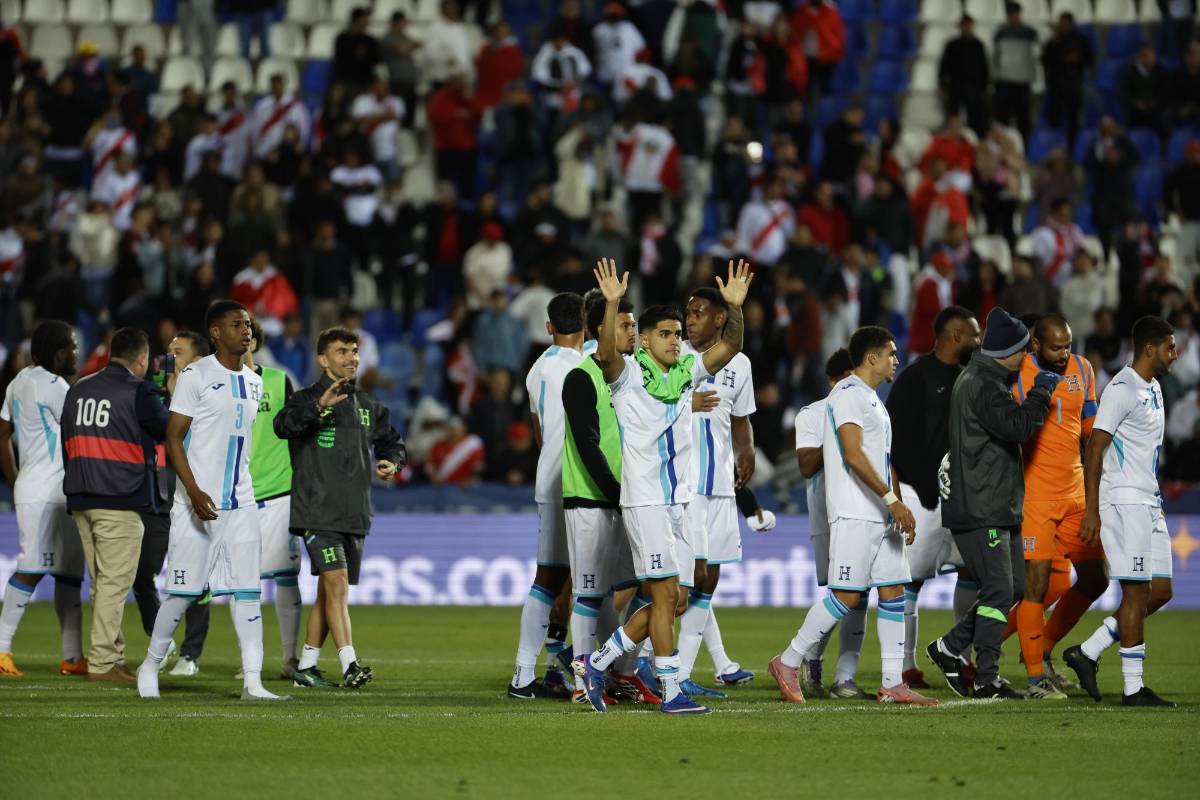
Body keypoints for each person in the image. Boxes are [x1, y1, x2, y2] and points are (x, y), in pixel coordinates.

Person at [576, 258, 752, 716]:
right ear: (646, 339)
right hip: (646, 500)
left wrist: (733, 307)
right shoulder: (629, 374)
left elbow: (730, 344)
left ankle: (599, 662)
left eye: (678, 333)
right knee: (665, 593)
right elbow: (608, 354)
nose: (676, 340)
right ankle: (671, 690)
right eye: (666, 334)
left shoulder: (688, 369)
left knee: (675, 599)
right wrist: (612, 302)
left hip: (679, 502)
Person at [769, 326, 936, 707]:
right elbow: (852, 453)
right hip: (855, 512)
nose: (896, 359)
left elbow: (881, 459)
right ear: (871, 357)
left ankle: (893, 682)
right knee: (845, 595)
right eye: (891, 353)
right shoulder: (846, 394)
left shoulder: (874, 400)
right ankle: (788, 660)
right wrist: (892, 499)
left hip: (880, 516)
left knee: (894, 591)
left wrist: (897, 505)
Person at [137, 302, 286, 701]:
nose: (246, 330)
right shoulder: (195, 376)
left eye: (249, 324)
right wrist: (194, 490)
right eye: (236, 324)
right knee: (184, 593)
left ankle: (253, 681)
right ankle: (149, 667)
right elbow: (173, 438)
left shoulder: (254, 381)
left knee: (247, 593)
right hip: (195, 505)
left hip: (241, 504)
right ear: (216, 333)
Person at [926, 307, 1056, 699]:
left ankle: (950, 647)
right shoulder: (983, 383)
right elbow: (1017, 427)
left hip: (996, 505)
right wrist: (1041, 392)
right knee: (1000, 591)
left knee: (1012, 586)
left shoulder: (985, 379)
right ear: (1006, 352)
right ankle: (986, 677)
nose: (1026, 358)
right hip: (982, 507)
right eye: (1022, 352)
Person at [275, 327, 406, 690]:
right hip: (317, 512)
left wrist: (392, 463)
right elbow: (282, 426)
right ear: (322, 359)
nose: (351, 357)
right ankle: (350, 664)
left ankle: (307, 666)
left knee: (328, 592)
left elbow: (393, 443)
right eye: (341, 351)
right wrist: (318, 408)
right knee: (336, 585)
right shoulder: (304, 399)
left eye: (353, 350)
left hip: (354, 514)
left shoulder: (368, 406)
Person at [1063, 316, 1178, 708]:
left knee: (1160, 591)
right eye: (1170, 346)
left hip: (1149, 499)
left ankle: (1089, 651)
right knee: (1135, 590)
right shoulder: (1122, 388)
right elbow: (1094, 447)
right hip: (1124, 500)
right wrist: (1092, 510)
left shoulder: (1155, 388)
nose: (1174, 354)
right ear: (1150, 348)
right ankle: (1133, 688)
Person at [560, 291, 662, 704]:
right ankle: (584, 681)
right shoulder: (581, 376)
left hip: (624, 501)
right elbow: (587, 445)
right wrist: (616, 492)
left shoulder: (629, 377)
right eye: (623, 324)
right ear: (600, 329)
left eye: (633, 325)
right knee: (588, 593)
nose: (632, 332)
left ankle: (614, 669)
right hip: (590, 501)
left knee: (642, 584)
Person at [1003, 314, 1106, 699]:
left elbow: (1089, 427)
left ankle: (1042, 649)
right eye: (1055, 347)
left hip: (1077, 493)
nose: (1064, 354)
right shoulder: (1018, 373)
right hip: (1037, 495)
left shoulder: (1084, 369)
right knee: (1038, 584)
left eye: (1067, 345)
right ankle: (1034, 678)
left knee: (1096, 577)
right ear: (1035, 345)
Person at [61, 327, 169, 682]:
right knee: (113, 583)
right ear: (142, 358)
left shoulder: (79, 388)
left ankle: (113, 655)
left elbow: (67, 437)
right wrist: (170, 393)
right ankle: (104, 663)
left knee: (101, 582)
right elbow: (170, 430)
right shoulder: (139, 391)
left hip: (80, 495)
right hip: (118, 498)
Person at [884, 306, 981, 690]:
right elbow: (894, 441)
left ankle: (962, 657)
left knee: (972, 572)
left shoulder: (972, 377)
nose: (980, 342)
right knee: (912, 580)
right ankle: (906, 665)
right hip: (921, 497)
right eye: (975, 335)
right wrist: (911, 492)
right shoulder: (915, 378)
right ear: (955, 336)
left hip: (963, 498)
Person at [675, 287, 758, 698]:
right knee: (688, 579)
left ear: (719, 319)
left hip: (721, 485)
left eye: (699, 313)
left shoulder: (739, 365)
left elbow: (740, 419)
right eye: (688, 313)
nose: (690, 320)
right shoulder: (673, 356)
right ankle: (644, 661)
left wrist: (747, 450)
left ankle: (693, 668)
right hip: (685, 486)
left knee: (708, 580)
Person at [507, 292, 586, 700]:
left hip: (548, 478)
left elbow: (540, 434)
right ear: (585, 326)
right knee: (570, 579)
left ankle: (543, 667)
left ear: (549, 327)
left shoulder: (536, 370)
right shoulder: (589, 365)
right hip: (580, 483)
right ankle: (544, 672)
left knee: (556, 577)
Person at [0, 322, 85, 678]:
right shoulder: (54, 386)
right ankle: (1, 649)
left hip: (45, 488)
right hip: (46, 492)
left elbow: (3, 433)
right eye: (72, 347)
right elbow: (79, 433)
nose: (76, 354)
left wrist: (15, 478)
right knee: (33, 568)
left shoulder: (18, 382)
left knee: (68, 576)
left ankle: (73, 657)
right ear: (57, 353)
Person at [131, 331, 212, 678]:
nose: (169, 358)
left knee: (199, 582)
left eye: (178, 353)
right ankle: (160, 646)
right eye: (168, 352)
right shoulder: (151, 396)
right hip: (155, 497)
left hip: (191, 496)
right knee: (141, 574)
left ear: (197, 360)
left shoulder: (208, 397)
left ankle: (190, 655)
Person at [792, 349, 861, 697]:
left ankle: (845, 678)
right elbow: (805, 464)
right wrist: (841, 438)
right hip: (829, 517)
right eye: (850, 376)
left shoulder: (871, 408)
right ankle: (810, 656)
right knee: (842, 594)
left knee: (859, 595)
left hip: (864, 515)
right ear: (834, 380)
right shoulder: (813, 414)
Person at [242, 318, 301, 678]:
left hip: (280, 493)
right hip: (238, 495)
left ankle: (290, 658)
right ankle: (249, 661)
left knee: (285, 577)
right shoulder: (215, 384)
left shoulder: (278, 380)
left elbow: (298, 433)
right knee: (242, 584)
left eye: (248, 333)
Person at [992, 2, 1038, 144]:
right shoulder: (1000, 33)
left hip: (1022, 84)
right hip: (1005, 84)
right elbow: (996, 59)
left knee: (1023, 120)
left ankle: (1023, 148)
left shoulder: (1030, 33)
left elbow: (1035, 57)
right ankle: (1002, 148)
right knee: (1003, 120)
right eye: (1011, 14)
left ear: (1020, 14)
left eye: (1015, 13)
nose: (1013, 17)